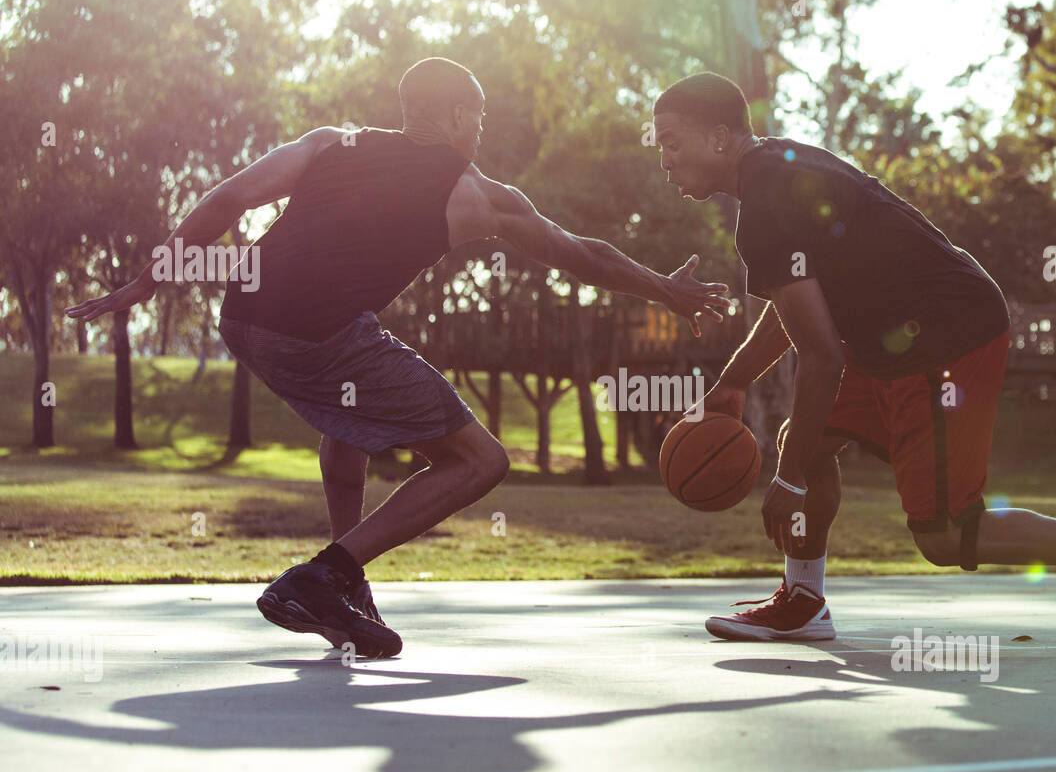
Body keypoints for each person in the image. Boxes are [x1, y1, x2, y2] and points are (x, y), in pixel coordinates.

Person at [67, 57, 730, 658]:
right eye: (481, 119)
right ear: (459, 116)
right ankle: (328, 574)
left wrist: (152, 278)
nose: (481, 132)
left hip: (243, 318)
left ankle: (345, 590)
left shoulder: (330, 143)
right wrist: (665, 290)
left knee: (348, 410)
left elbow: (229, 197)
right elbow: (584, 254)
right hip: (317, 336)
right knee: (481, 459)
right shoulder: (475, 194)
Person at [651, 71, 1056, 646]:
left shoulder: (766, 197)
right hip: (895, 336)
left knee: (945, 534)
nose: (662, 158)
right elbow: (797, 307)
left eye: (669, 141)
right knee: (807, 439)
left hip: (944, 337)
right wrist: (735, 382)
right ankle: (804, 601)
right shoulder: (776, 169)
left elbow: (820, 358)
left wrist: (785, 481)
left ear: (719, 138)